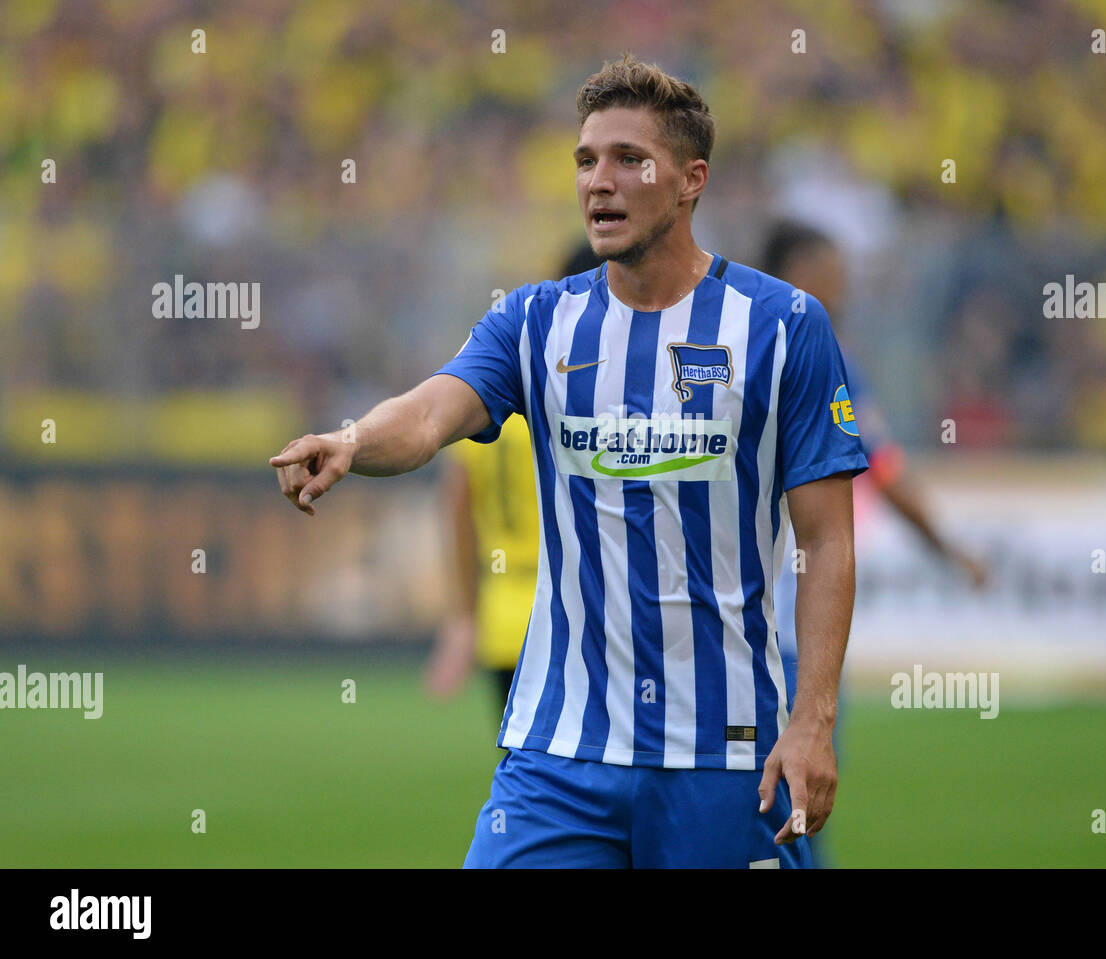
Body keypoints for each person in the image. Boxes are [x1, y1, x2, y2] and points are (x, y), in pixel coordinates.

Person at [270, 54, 866, 868]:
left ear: (691, 179)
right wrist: (351, 440)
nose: (599, 182)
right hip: (560, 748)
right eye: (586, 160)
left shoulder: (783, 326)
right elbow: (426, 414)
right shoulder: (535, 321)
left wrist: (813, 719)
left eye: (629, 159)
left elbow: (827, 538)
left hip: (724, 752)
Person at [761, 220, 989, 867]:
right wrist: (949, 549)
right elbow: (883, 468)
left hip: (724, 627)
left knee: (745, 816)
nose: (846, 289)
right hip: (785, 627)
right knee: (795, 816)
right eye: (833, 274)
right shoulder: (820, 352)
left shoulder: (716, 340)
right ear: (797, 273)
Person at [423, 244, 605, 714]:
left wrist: (462, 619)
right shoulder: (587, 408)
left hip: (505, 617)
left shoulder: (493, 398)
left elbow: (458, 508)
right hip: (580, 612)